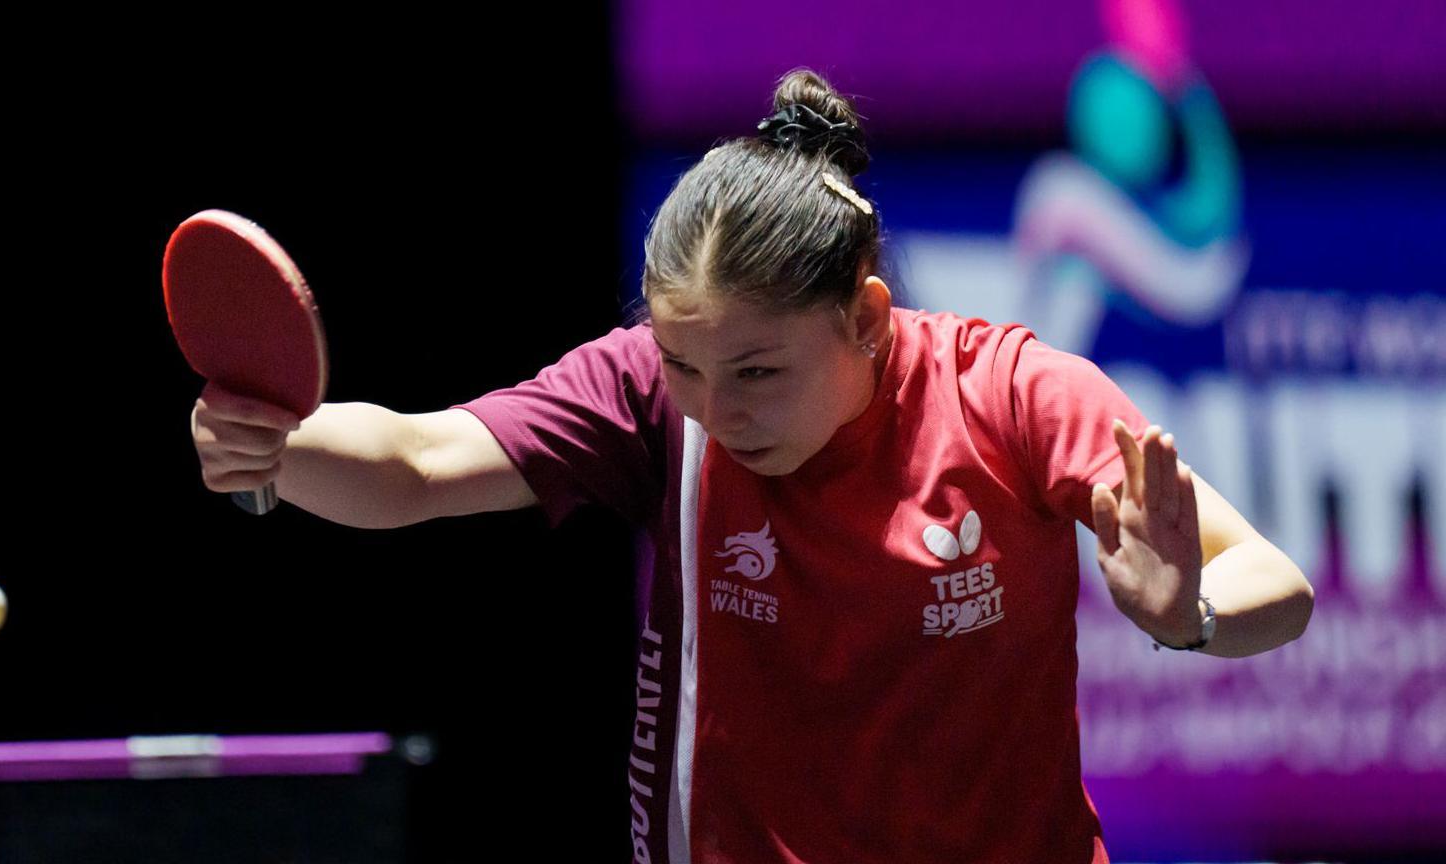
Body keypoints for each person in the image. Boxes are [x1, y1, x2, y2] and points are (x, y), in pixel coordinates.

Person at [190, 68, 1313, 864]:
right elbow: (417, 460)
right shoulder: (648, 399)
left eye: (761, 373)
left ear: (867, 317)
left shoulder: (1009, 395)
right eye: (686, 364)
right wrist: (280, 446)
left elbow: (1275, 586)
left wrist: (1189, 616)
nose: (716, 411)